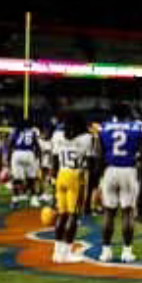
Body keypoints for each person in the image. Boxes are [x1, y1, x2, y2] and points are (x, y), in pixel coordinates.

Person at [97, 104, 142, 263]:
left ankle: (106, 251)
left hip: (110, 169)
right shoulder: (137, 127)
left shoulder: (104, 127)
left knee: (108, 213)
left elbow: (99, 152)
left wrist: (101, 173)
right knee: (127, 212)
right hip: (128, 170)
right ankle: (127, 252)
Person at [52, 112, 95, 264]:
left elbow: (54, 160)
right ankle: (66, 253)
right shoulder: (86, 138)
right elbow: (90, 163)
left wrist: (52, 180)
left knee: (61, 214)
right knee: (73, 215)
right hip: (75, 176)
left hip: (61, 174)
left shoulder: (57, 135)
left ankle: (56, 252)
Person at [7, 119, 42, 207]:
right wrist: (38, 159)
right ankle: (34, 199)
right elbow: (37, 146)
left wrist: (8, 158)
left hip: (17, 153)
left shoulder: (16, 131)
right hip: (29, 154)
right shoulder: (32, 132)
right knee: (31, 179)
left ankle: (15, 200)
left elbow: (10, 144)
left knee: (16, 180)